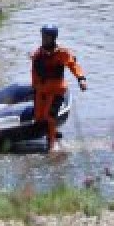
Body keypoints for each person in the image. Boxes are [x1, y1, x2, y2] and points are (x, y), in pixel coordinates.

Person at [31, 24, 87, 153]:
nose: (44, 39)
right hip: (42, 90)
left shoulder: (62, 53)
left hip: (57, 89)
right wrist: (35, 89)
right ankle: (54, 132)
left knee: (50, 116)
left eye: (47, 37)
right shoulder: (37, 54)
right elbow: (34, 74)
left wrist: (81, 78)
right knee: (39, 118)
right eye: (43, 36)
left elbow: (73, 65)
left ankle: (52, 145)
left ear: (53, 38)